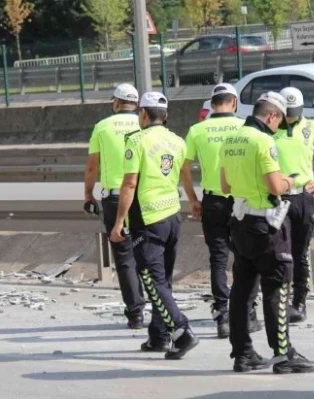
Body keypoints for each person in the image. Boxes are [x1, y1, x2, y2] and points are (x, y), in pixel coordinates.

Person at [220, 92, 314, 374]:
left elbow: (225, 185)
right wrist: (291, 180)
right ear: (272, 115)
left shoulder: (231, 138)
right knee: (277, 288)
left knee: (242, 291)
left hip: (240, 224)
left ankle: (243, 354)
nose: (278, 128)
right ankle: (283, 355)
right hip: (266, 225)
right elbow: (275, 186)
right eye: (279, 122)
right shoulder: (263, 141)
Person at [110, 91, 199, 359]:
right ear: (166, 115)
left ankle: (181, 331)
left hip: (148, 220)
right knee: (163, 281)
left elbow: (129, 183)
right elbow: (183, 174)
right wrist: (192, 200)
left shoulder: (136, 140)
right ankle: (158, 336)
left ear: (143, 114)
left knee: (152, 280)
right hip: (172, 216)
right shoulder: (177, 141)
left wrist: (119, 222)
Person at [180, 83, 262, 339]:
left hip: (212, 201)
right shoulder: (245, 127)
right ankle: (248, 313)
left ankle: (223, 317)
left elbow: (184, 168)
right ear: (234, 103)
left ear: (212, 104)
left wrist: (193, 199)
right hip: (241, 201)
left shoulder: (196, 130)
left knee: (218, 258)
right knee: (246, 257)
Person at [84, 83, 147, 329]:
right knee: (148, 253)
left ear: (117, 103)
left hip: (114, 197)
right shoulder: (145, 125)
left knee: (124, 257)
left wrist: (88, 194)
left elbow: (92, 167)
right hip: (143, 196)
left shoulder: (102, 127)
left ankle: (136, 313)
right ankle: (162, 309)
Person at [275, 87, 314, 324]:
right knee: (281, 253)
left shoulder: (312, 127)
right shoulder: (270, 130)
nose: (290, 116)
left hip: (303, 197)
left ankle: (300, 302)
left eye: (294, 111)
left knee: (301, 253)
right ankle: (281, 299)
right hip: (280, 198)